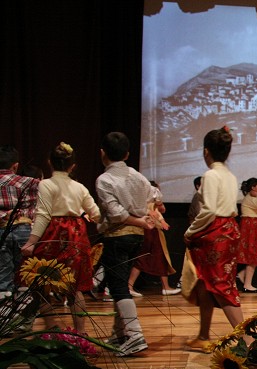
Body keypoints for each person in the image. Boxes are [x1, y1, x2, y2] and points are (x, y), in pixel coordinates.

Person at [21, 142, 102, 334]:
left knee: (41, 283)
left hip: (54, 234)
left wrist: (31, 242)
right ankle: (80, 334)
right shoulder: (79, 187)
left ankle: (52, 329)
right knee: (74, 287)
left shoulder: (46, 184)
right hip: (76, 235)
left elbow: (43, 215)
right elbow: (96, 213)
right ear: (72, 166)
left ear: (50, 162)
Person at [183, 126, 246, 352]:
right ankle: (203, 335)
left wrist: (190, 232)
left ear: (206, 151)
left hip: (216, 232)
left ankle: (248, 340)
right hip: (229, 229)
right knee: (205, 282)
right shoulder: (230, 175)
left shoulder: (210, 175)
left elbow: (209, 210)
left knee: (221, 285)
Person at [96, 132, 156, 356]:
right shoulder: (138, 176)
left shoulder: (105, 179)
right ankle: (120, 332)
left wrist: (139, 219)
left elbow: (116, 214)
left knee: (119, 287)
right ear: (127, 154)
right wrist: (145, 216)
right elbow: (155, 194)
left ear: (103, 153)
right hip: (137, 236)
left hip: (117, 236)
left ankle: (134, 334)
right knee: (118, 284)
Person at [127, 181, 181, 297]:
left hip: (153, 229)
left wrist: (160, 214)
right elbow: (156, 212)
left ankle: (165, 287)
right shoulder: (143, 200)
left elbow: (161, 210)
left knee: (158, 257)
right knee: (145, 257)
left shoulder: (151, 201)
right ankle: (130, 286)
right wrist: (158, 217)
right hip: (149, 229)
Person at [0, 145, 39, 299]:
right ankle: (23, 310)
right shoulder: (31, 182)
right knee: (24, 275)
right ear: (15, 166)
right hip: (24, 230)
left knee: (3, 276)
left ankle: (4, 311)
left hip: (1, 231)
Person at [236, 177, 257, 293]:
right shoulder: (250, 199)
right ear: (253, 187)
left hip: (253, 226)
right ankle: (247, 284)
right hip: (251, 227)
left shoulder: (252, 198)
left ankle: (243, 276)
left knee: (253, 256)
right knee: (253, 256)